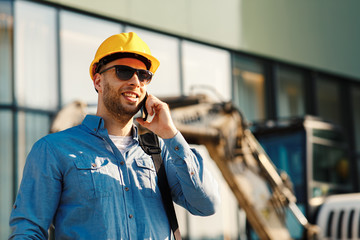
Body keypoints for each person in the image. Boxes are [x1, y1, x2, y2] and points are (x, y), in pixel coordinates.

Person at [9, 32, 220, 239]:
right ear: (98, 82)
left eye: (144, 75)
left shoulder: (161, 152)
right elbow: (28, 231)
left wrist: (171, 134)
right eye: (124, 72)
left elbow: (206, 205)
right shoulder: (53, 150)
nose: (136, 82)